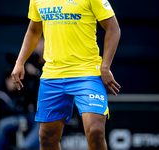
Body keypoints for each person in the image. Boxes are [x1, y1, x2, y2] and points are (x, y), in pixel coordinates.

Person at [11, 0, 121, 149]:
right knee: (47, 138)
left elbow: (113, 28)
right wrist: (20, 62)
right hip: (52, 77)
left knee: (95, 131)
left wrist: (105, 67)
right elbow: (34, 30)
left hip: (87, 74)